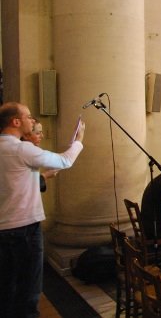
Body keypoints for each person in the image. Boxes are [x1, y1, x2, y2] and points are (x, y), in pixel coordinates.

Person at [0, 102, 85, 318]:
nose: (32, 120)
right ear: (16, 121)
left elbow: (13, 181)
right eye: (28, 117)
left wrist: (42, 176)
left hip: (4, 228)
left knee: (7, 288)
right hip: (24, 229)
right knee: (29, 289)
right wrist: (78, 142)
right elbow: (65, 161)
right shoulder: (20, 148)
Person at [22, 120, 59, 192]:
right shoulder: (23, 153)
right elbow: (24, 187)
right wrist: (45, 175)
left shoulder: (32, 152)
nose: (42, 136)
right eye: (38, 133)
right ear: (26, 135)